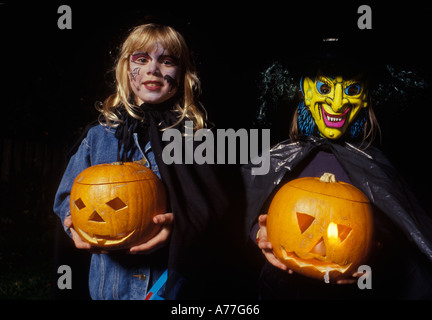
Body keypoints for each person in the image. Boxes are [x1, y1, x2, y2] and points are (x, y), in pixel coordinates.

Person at [53, 22, 239, 300]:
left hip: (169, 287)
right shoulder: (97, 136)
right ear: (126, 70)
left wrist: (177, 227)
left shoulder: (197, 140)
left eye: (166, 61)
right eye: (141, 59)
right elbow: (67, 197)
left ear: (183, 73)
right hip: (108, 288)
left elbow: (215, 211)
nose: (153, 69)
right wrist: (76, 227)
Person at [242, 44, 432, 299]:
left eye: (351, 90)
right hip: (280, 290)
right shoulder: (279, 157)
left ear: (365, 96)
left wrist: (376, 254)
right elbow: (240, 209)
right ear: (305, 91)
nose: (337, 102)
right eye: (325, 88)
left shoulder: (374, 164)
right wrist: (259, 233)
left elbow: (395, 228)